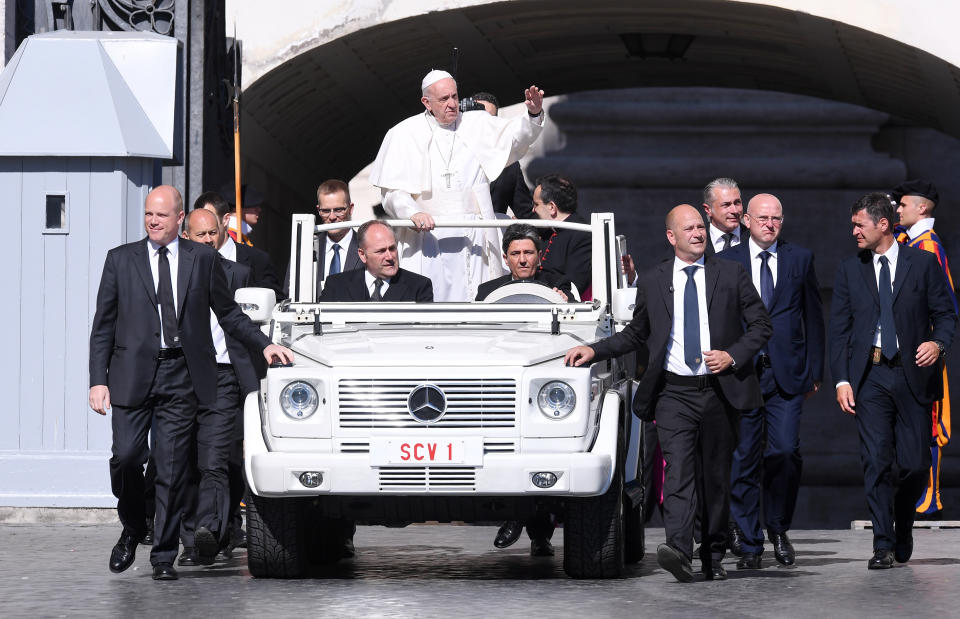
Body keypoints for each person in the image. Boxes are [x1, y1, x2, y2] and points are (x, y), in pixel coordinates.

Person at [89, 186, 293, 581]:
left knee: (171, 467)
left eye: (162, 216)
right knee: (128, 457)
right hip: (131, 375)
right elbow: (103, 327)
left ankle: (163, 557)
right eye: (149, 214)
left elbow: (229, 313)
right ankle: (133, 526)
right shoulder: (120, 260)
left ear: (179, 219)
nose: (153, 221)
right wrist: (99, 381)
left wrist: (264, 345)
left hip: (181, 375)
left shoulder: (201, 259)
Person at [565, 204, 771, 582]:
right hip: (674, 392)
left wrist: (733, 355)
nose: (697, 233)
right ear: (671, 236)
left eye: (700, 227)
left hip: (720, 392)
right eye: (688, 228)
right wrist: (595, 349)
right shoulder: (657, 278)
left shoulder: (730, 273)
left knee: (715, 479)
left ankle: (712, 554)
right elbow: (637, 333)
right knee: (677, 473)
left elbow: (760, 325)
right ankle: (678, 549)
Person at [829, 192, 956, 569]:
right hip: (870, 377)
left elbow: (947, 315)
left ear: (882, 225)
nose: (853, 231)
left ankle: (904, 527)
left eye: (859, 224)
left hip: (912, 373)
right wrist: (841, 380)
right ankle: (882, 544)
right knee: (876, 460)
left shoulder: (924, 263)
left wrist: (938, 343)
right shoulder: (850, 268)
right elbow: (839, 331)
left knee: (915, 464)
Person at [368, 69, 546, 301]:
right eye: (444, 99)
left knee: (476, 295)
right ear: (426, 102)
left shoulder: (477, 123)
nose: (452, 104)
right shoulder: (403, 133)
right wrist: (412, 213)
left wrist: (533, 114)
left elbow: (514, 137)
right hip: (427, 235)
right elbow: (393, 192)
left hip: (473, 233)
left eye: (454, 96)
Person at [718, 194, 825, 569]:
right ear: (746, 220)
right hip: (742, 373)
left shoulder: (799, 258)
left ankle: (777, 527)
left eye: (776, 218)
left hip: (787, 372)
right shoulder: (727, 261)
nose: (769, 224)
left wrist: (815, 368)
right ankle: (749, 543)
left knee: (783, 451)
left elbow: (813, 316)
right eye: (762, 218)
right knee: (744, 456)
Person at [177, 208, 257, 565]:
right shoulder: (172, 274)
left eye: (213, 233)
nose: (209, 239)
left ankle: (207, 532)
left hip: (224, 375)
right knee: (181, 461)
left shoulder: (238, 273)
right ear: (185, 237)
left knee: (215, 459)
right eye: (200, 235)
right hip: (180, 375)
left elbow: (247, 324)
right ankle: (192, 534)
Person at [892, 180, 958, 519]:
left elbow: (940, 302)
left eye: (903, 204)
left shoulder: (928, 246)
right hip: (906, 350)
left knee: (932, 422)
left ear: (922, 208)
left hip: (924, 349)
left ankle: (929, 496)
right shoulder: (908, 241)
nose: (897, 209)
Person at [282, 179, 363, 299]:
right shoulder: (305, 248)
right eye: (325, 211)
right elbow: (289, 294)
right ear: (318, 210)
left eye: (338, 210)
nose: (332, 217)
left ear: (350, 208)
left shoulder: (367, 248)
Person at [319, 220, 433, 303]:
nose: (389, 256)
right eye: (381, 251)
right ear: (362, 255)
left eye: (392, 248)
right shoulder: (336, 285)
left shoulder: (419, 286)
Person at [199, 190, 284, 298]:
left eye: (211, 219)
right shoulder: (186, 258)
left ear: (225, 220)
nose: (204, 225)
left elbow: (275, 302)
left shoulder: (258, 260)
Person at [472, 91, 536, 220]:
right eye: (478, 117)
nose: (484, 123)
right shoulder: (447, 154)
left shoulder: (508, 164)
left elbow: (525, 212)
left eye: (489, 119)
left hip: (492, 236)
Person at [475, 223, 571, 302]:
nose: (522, 260)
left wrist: (565, 302)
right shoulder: (487, 291)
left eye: (528, 253)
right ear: (505, 259)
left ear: (539, 257)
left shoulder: (558, 284)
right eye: (515, 254)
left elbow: (576, 315)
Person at [532, 174, 592, 299]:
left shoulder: (581, 234)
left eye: (536, 204)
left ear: (552, 207)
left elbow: (575, 283)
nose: (533, 210)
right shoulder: (548, 230)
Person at [702, 177, 748, 255]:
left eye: (737, 203)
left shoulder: (754, 238)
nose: (735, 211)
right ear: (708, 210)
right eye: (726, 205)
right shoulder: (697, 239)